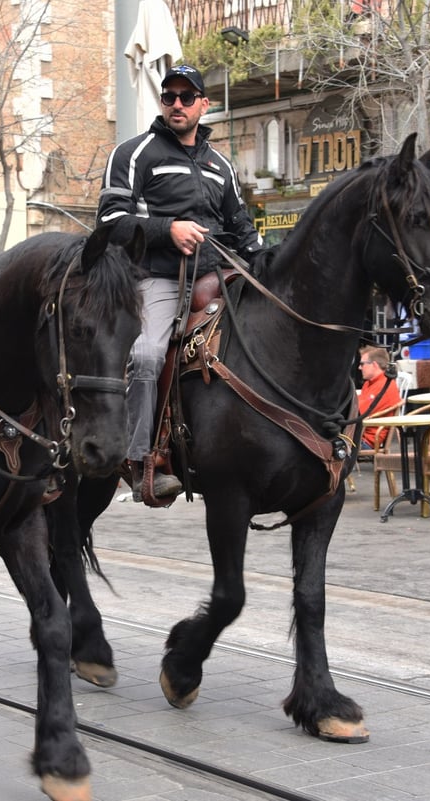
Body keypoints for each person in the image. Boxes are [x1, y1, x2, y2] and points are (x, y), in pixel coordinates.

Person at [96, 64, 263, 502]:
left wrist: (266, 265)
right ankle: (141, 461)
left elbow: (243, 229)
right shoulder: (134, 153)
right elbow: (110, 222)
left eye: (187, 97)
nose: (176, 104)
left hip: (221, 275)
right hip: (158, 277)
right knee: (148, 354)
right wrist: (168, 229)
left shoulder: (219, 164)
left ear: (204, 105)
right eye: (169, 96)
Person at [356, 346, 402, 449]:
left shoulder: (385, 386)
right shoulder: (369, 383)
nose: (359, 367)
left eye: (362, 364)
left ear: (374, 365)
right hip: (358, 435)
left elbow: (358, 413)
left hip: (364, 441)